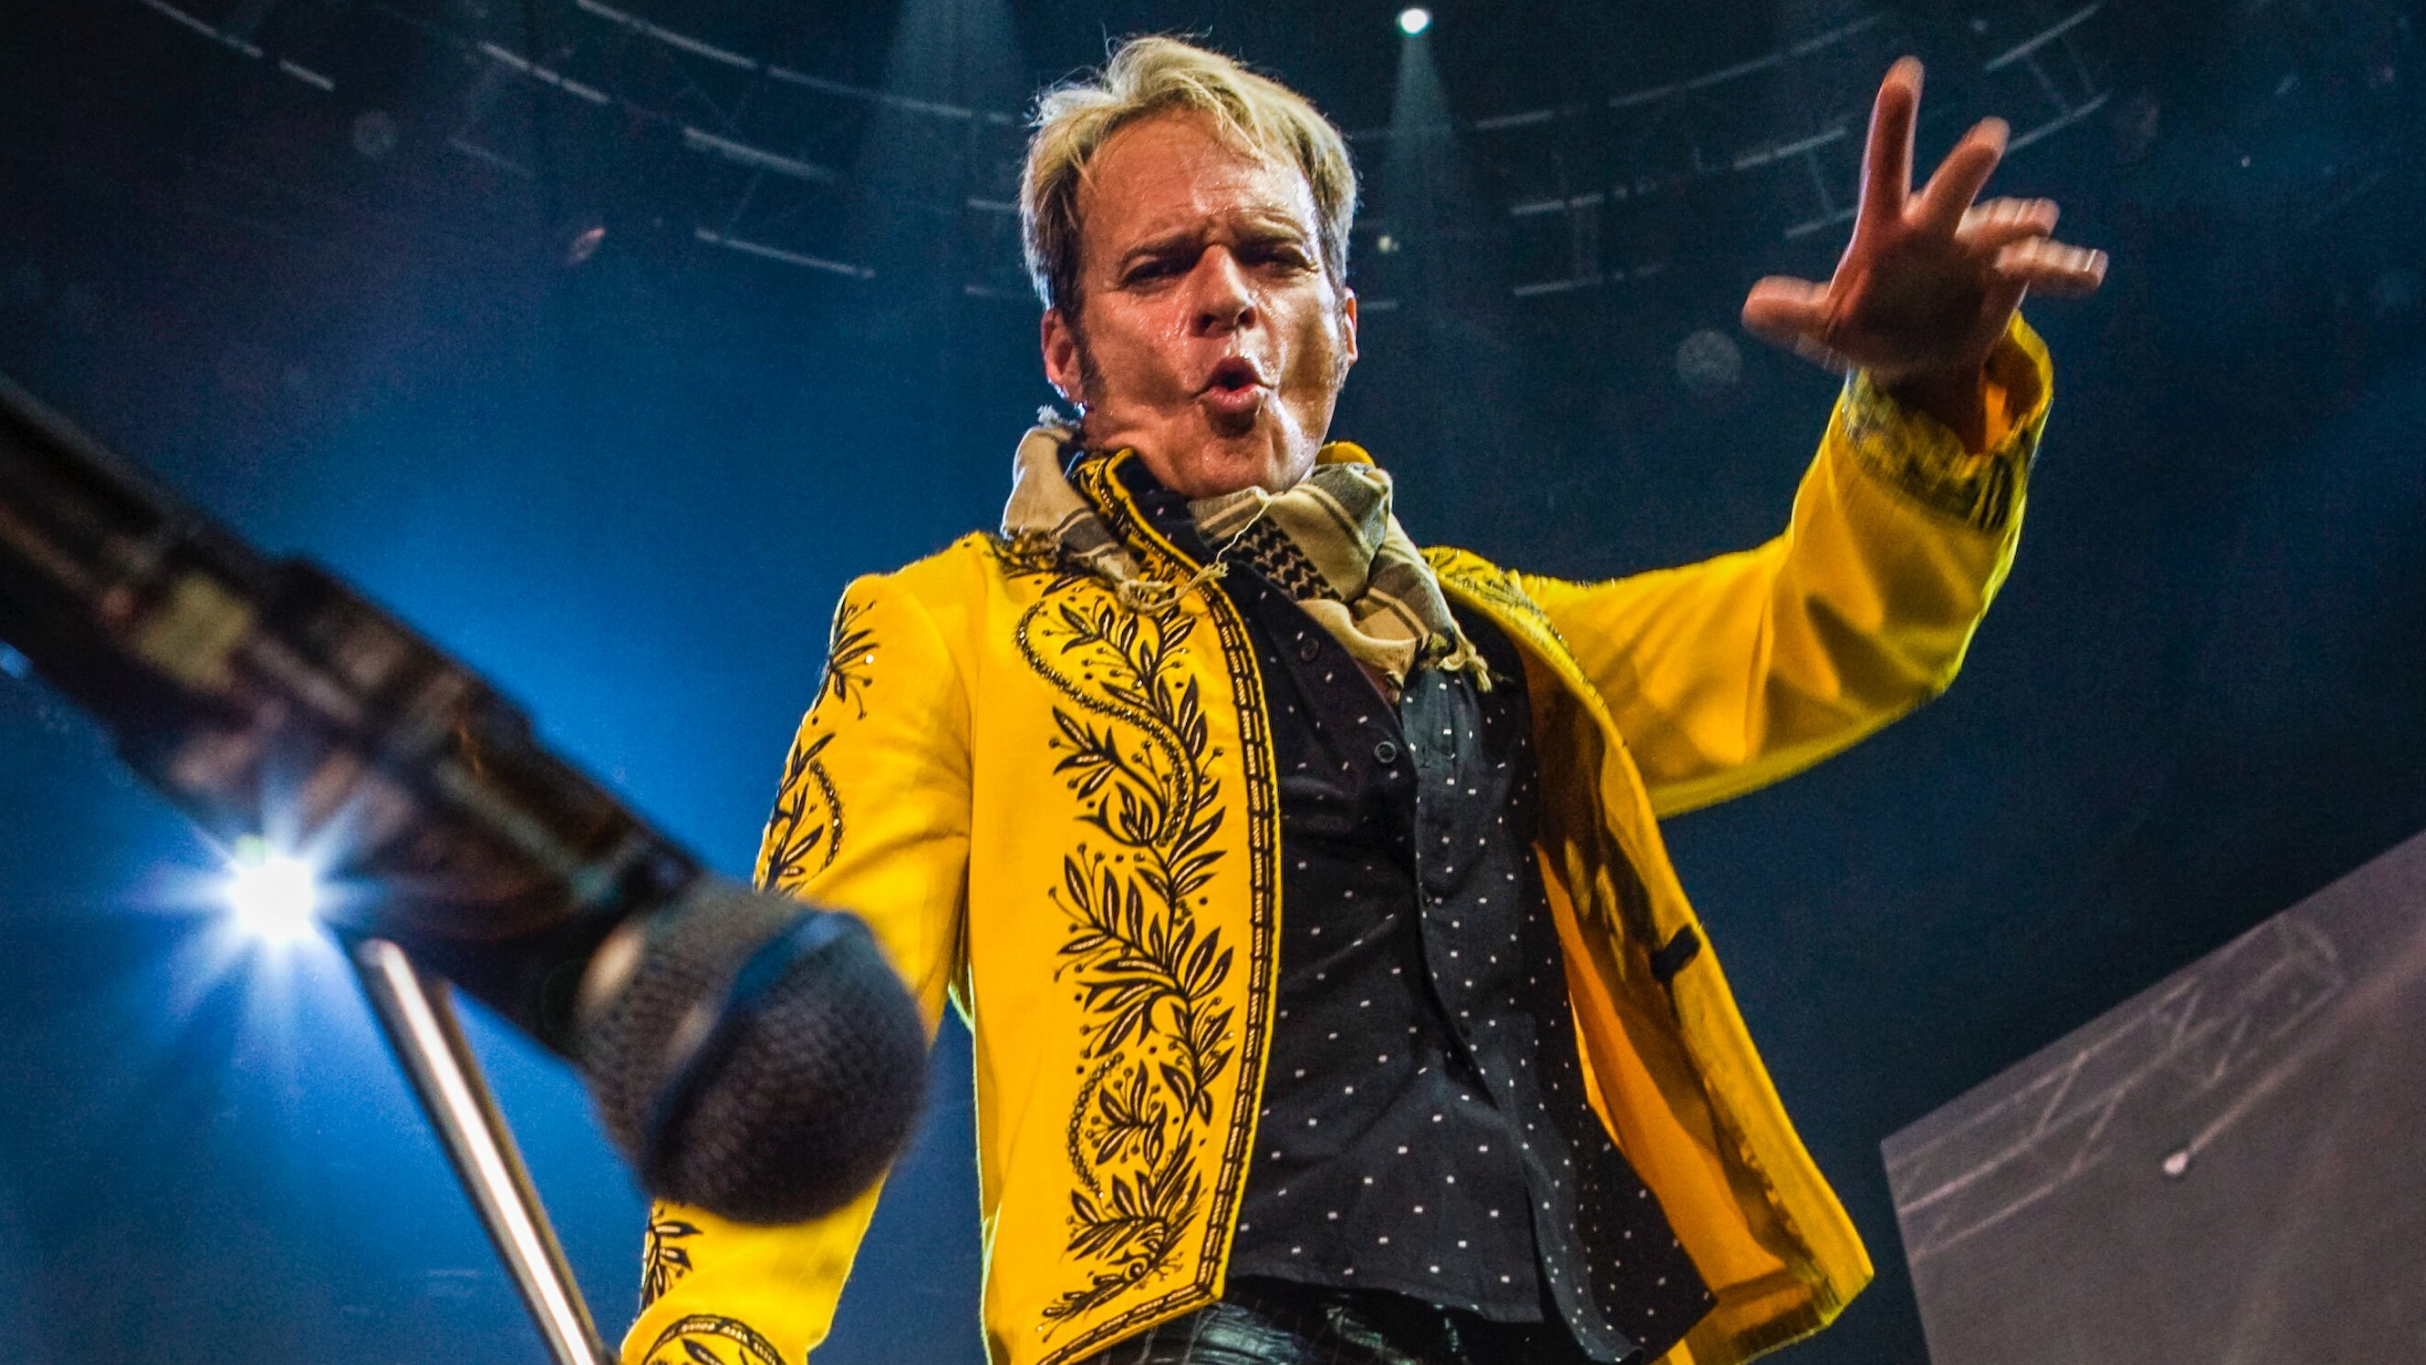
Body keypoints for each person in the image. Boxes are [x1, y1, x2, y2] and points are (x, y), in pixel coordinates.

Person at [623, 36, 2106, 1365]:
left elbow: (1822, 633)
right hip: (1202, 1331)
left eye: (1270, 258)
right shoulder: (954, 629)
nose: (1224, 297)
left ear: (1342, 318)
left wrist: (1928, 384)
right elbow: (803, 1037)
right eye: (1158, 269)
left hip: (1564, 1326)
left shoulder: (1487, 635)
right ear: (1066, 351)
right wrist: (712, 1337)